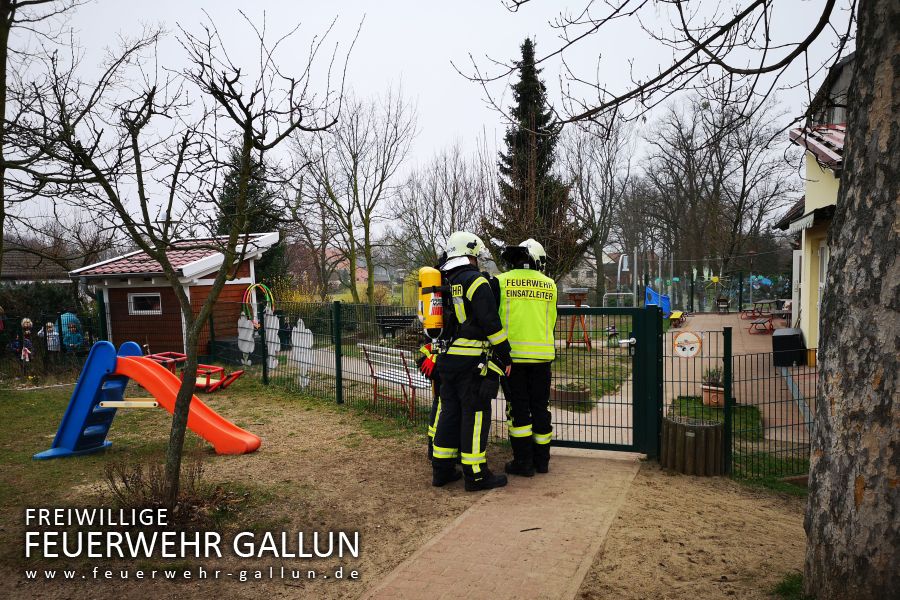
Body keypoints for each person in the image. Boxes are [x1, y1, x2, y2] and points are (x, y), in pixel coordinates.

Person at [431, 231, 512, 492]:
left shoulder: (448, 280)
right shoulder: (476, 281)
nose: (478, 260)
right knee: (476, 415)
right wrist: (505, 352)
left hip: (448, 359)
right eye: (476, 255)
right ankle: (476, 476)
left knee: (449, 413)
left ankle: (442, 471)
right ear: (470, 254)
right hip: (471, 363)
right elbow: (491, 323)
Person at [494, 239, 558, 475]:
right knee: (541, 407)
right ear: (538, 261)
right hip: (542, 358)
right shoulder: (550, 285)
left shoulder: (501, 282)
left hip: (512, 360)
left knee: (518, 408)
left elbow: (495, 318)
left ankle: (523, 462)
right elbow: (550, 320)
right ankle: (542, 461)